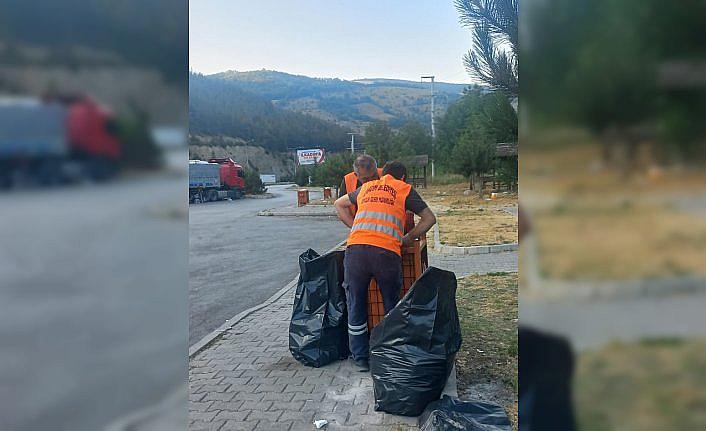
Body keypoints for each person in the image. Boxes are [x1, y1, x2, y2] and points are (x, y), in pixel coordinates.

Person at [333, 161, 436, 371]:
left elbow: (339, 204)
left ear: (382, 174)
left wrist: (356, 228)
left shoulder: (368, 186)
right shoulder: (404, 189)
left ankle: (360, 358)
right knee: (391, 305)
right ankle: (390, 355)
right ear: (404, 177)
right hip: (386, 252)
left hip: (356, 251)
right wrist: (407, 239)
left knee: (356, 304)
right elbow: (429, 218)